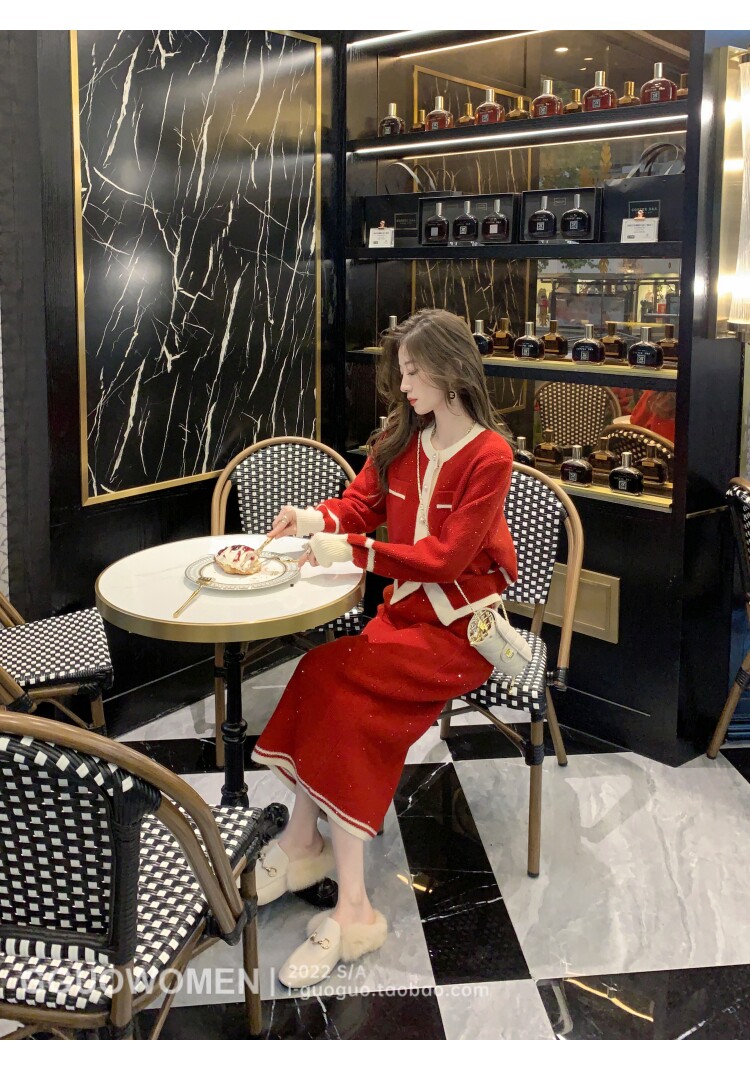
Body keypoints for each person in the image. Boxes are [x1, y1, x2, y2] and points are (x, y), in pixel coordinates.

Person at [251, 308, 518, 988]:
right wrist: (312, 518)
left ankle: (353, 909)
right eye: (400, 373)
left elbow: (447, 558)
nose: (403, 387)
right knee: (318, 671)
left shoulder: (490, 455)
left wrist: (356, 551)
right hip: (401, 620)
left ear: (449, 371)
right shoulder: (403, 440)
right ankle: (305, 844)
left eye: (412, 372)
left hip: (459, 632)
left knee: (348, 709)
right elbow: (360, 506)